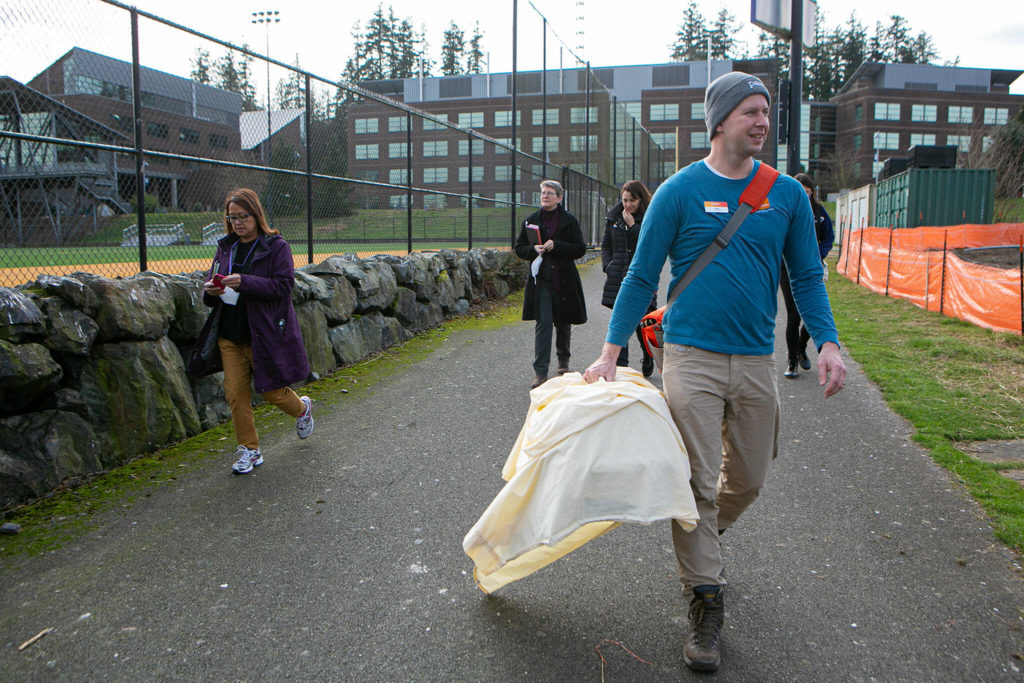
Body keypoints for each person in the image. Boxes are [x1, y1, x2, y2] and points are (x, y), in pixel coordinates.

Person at [583, 72, 847, 673]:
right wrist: (609, 351)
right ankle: (706, 600)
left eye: (766, 112)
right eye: (752, 112)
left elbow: (806, 276)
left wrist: (827, 342)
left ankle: (700, 538)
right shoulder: (678, 192)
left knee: (749, 478)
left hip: (756, 360)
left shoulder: (785, 195)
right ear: (721, 120)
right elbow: (641, 275)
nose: (763, 122)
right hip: (691, 359)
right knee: (698, 482)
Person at [202, 188, 314, 474]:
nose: (237, 223)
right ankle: (249, 450)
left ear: (256, 214)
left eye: (243, 216)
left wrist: (246, 282)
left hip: (261, 334)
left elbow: (283, 286)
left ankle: (301, 409)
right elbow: (214, 280)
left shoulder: (276, 246)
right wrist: (211, 290)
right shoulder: (227, 246)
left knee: (273, 392)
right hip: (230, 335)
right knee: (236, 395)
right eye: (232, 217)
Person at [514, 179, 587, 389]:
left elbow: (580, 248)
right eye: (543, 193)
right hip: (542, 281)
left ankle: (563, 361)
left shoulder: (569, 221)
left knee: (563, 321)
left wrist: (558, 246)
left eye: (549, 193)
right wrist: (532, 250)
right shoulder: (530, 220)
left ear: (559, 197)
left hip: (564, 280)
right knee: (543, 323)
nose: (545, 196)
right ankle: (540, 372)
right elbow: (519, 248)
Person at [780, 172, 835, 378]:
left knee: (812, 314)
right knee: (793, 316)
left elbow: (828, 237)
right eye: (801, 192)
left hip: (813, 266)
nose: (805, 195)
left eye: (808, 192)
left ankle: (802, 346)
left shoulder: (819, 212)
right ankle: (792, 361)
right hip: (786, 268)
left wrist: (817, 255)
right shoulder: (786, 210)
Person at [601, 179, 657, 377]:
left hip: (642, 278)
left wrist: (633, 226)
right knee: (620, 323)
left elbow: (650, 245)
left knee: (643, 324)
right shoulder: (613, 218)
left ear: (641, 199)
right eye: (625, 200)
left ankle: (648, 354)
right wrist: (608, 266)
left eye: (632, 200)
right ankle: (622, 368)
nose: (627, 205)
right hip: (617, 278)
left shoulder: (649, 218)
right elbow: (606, 245)